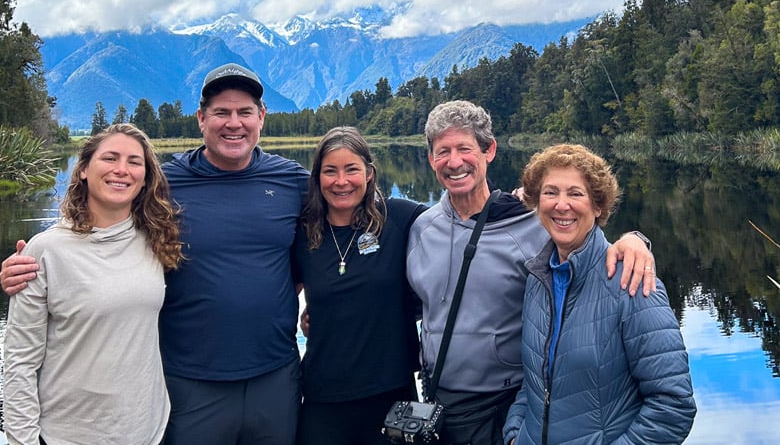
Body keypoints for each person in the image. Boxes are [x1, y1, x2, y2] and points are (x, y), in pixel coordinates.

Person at [1, 63, 310, 445]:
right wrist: (31, 263)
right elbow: (100, 226)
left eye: (245, 112)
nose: (234, 123)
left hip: (276, 375)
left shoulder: (294, 181)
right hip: (187, 383)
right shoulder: (163, 183)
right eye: (221, 113)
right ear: (201, 118)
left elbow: (332, 240)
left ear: (261, 117)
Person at [406, 100, 657, 445]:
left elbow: (588, 248)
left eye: (464, 148)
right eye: (442, 151)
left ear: (489, 150)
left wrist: (635, 240)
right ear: (431, 158)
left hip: (508, 401)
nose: (454, 162)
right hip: (440, 402)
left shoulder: (531, 224)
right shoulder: (422, 228)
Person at [2, 123, 183, 445]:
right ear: (83, 169)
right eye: (110, 158)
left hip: (148, 431)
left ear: (145, 178)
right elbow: (19, 363)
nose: (121, 170)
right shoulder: (46, 250)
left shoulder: (158, 241)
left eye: (134, 162)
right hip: (67, 434)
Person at [503, 144, 696, 444]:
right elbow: (534, 382)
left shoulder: (632, 282)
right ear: (536, 203)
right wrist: (515, 432)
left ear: (598, 206)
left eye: (575, 194)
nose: (561, 205)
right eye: (550, 192)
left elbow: (673, 406)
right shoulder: (537, 280)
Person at [292, 126, 426, 445]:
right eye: (330, 171)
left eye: (351, 169)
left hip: (392, 395)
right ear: (317, 177)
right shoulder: (302, 233)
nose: (341, 182)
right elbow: (278, 295)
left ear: (369, 173)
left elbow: (461, 220)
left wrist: (517, 201)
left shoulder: (400, 217)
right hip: (323, 396)